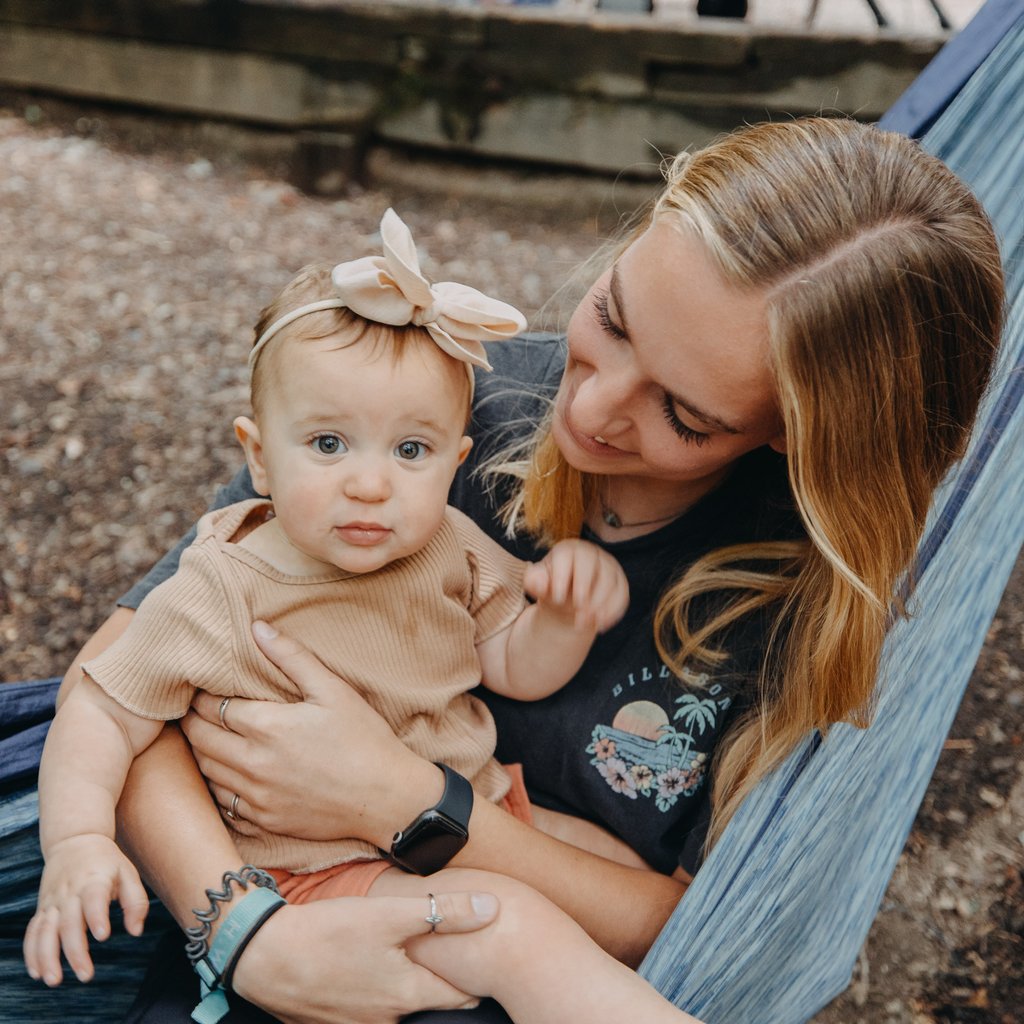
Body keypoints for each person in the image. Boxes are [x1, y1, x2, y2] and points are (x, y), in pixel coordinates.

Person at [30, 115, 1005, 1024]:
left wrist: (404, 798)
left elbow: (691, 920)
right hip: (255, 888)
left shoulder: (788, 605)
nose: (591, 411)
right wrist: (246, 935)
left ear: (792, 443)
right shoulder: (425, 407)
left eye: (684, 414)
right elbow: (116, 687)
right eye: (612, 319)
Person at [23, 208, 636, 1001]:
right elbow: (103, 710)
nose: (370, 483)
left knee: (621, 876)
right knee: (516, 931)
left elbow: (513, 666)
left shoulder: (445, 544)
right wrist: (77, 839)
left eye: (409, 451)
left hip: (469, 808)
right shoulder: (222, 586)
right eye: (327, 444)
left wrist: (564, 619)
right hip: (325, 866)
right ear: (258, 458)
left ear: (454, 463)